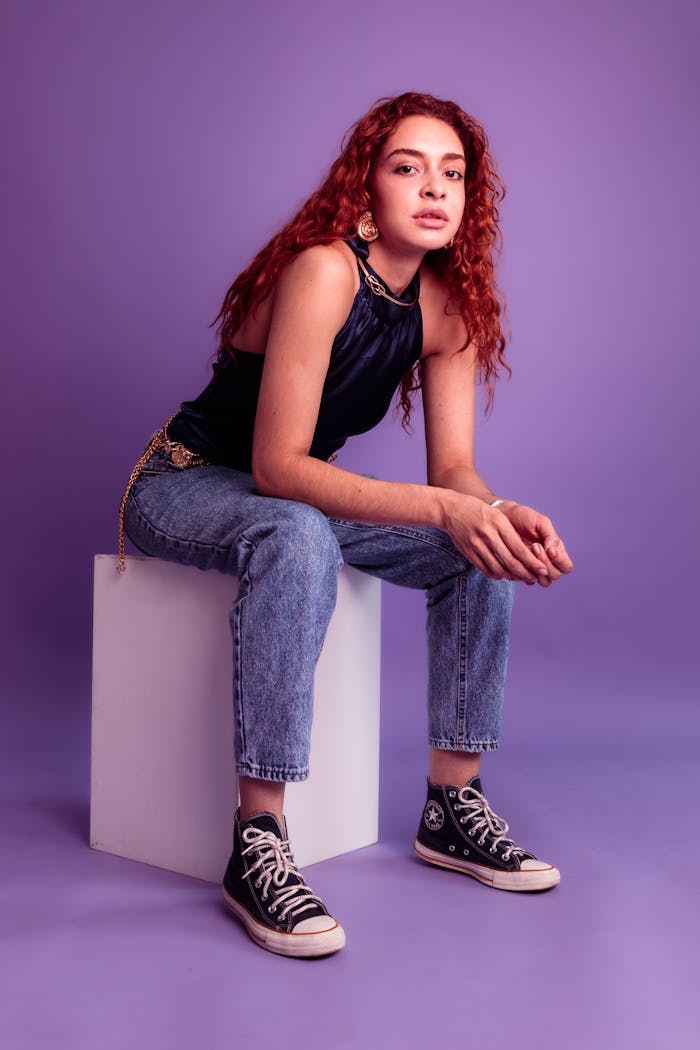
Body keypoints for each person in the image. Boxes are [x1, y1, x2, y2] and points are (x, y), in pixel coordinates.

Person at [118, 91, 574, 959]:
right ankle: (258, 839)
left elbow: (452, 476)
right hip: (184, 483)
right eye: (408, 167)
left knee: (471, 540)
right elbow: (277, 467)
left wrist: (496, 514)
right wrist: (451, 505)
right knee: (299, 532)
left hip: (289, 497)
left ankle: (451, 806)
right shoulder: (324, 269)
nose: (434, 188)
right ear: (365, 183)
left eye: (454, 173)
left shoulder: (451, 306)